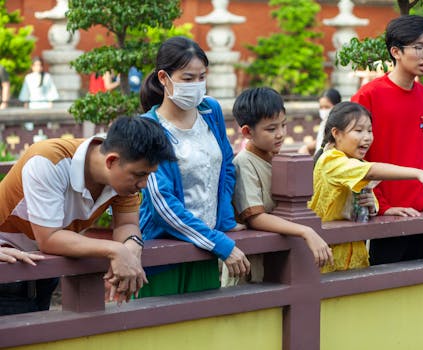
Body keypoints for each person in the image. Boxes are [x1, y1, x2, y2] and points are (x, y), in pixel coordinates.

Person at [0, 116, 175, 315]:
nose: (144, 184)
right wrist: (115, 250)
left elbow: (126, 224)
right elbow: (49, 238)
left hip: (42, 272)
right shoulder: (48, 161)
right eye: (140, 175)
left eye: (149, 175)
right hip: (7, 271)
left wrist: (131, 250)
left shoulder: (122, 180)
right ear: (111, 161)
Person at [138, 36, 250, 297]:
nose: (197, 85)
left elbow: (226, 167)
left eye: (202, 77)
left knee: (205, 329)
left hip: (206, 248)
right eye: (188, 79)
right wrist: (221, 243)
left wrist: (224, 219)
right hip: (165, 253)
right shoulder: (149, 128)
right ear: (164, 78)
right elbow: (162, 204)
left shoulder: (210, 111)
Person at [308, 102, 423, 273]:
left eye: (369, 130)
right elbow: (371, 171)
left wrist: (373, 207)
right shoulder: (330, 160)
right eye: (359, 130)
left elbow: (363, 206)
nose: (367, 137)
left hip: (352, 258)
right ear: (336, 133)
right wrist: (419, 173)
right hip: (325, 260)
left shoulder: (354, 163)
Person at [351, 15, 423, 265]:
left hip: (421, 214)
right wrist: (381, 206)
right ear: (396, 52)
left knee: (418, 290)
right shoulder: (367, 96)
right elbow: (353, 159)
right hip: (384, 218)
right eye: (418, 47)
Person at [224, 87, 333, 285]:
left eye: (283, 125)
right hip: (251, 266)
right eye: (271, 129)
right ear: (248, 131)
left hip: (279, 259)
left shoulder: (278, 158)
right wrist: (305, 231)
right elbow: (256, 217)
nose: (281, 134)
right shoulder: (244, 163)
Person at [298, 88, 341, 156]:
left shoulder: (339, 127)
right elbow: (321, 141)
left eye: (327, 107)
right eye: (321, 107)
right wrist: (306, 147)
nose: (323, 110)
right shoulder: (323, 123)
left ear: (337, 106)